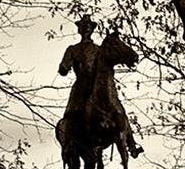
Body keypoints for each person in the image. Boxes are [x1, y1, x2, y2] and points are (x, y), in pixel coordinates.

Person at [58, 16, 141, 157]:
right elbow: (63, 68)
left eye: (88, 27)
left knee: (119, 109)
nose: (85, 29)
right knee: (73, 114)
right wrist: (64, 68)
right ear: (79, 29)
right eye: (83, 27)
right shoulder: (72, 50)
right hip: (81, 87)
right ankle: (69, 144)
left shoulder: (98, 50)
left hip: (99, 86)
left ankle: (130, 143)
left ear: (92, 30)